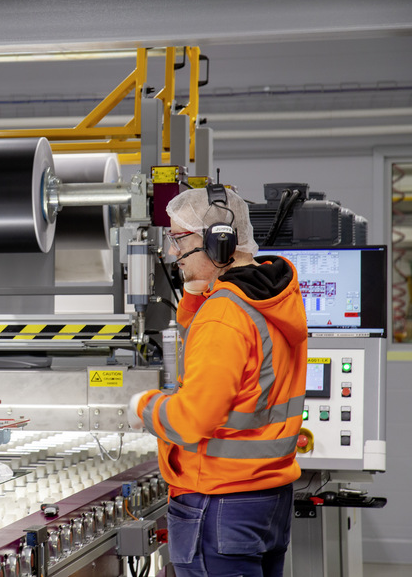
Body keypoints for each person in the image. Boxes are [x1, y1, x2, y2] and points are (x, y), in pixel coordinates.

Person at [128, 186, 308, 577]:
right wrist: (194, 296)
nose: (173, 252)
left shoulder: (224, 314)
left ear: (218, 242)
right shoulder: (271, 297)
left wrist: (143, 406)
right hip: (268, 499)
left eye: (179, 239)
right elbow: (211, 355)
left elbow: (194, 419)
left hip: (220, 501)